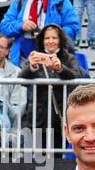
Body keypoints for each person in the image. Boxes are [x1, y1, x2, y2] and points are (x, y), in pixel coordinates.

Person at [0, 0, 80, 66]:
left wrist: (52, 34)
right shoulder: (20, 1)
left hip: (53, 57)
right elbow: (4, 27)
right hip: (23, 56)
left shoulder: (61, 0)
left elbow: (73, 27)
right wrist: (21, 26)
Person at [18, 23, 81, 152]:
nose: (50, 41)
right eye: (47, 38)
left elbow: (75, 76)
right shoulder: (35, 55)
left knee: (57, 155)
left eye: (54, 38)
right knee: (35, 156)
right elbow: (22, 79)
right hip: (37, 115)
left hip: (59, 115)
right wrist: (33, 66)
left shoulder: (68, 58)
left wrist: (60, 68)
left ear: (60, 40)